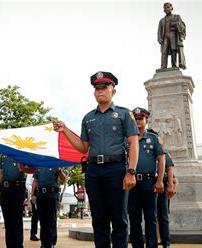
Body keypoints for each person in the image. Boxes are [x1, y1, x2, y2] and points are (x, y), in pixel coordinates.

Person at [53, 71, 139, 248]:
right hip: (93, 171)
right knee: (99, 219)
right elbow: (83, 147)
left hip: (116, 169)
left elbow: (133, 143)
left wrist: (131, 171)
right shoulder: (88, 118)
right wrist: (65, 130)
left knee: (119, 218)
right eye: (97, 88)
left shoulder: (124, 114)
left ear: (113, 91)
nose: (100, 91)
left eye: (104, 87)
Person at [128, 107, 166, 248]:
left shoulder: (154, 138)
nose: (138, 121)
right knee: (134, 218)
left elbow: (161, 160)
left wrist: (160, 180)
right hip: (132, 184)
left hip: (149, 183)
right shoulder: (127, 139)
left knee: (151, 219)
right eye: (135, 118)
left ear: (147, 120)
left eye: (140, 118)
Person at [0, 155, 36, 248]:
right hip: (4, 190)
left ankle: (18, 245)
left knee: (16, 220)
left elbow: (33, 169)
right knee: (8, 221)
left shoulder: (21, 154)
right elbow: (0, 172)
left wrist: (23, 169)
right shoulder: (3, 155)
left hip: (17, 188)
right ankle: (9, 245)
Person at [31, 167, 67, 248]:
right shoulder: (39, 164)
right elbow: (35, 180)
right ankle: (44, 243)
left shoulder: (56, 163)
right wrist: (32, 194)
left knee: (51, 220)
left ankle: (51, 243)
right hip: (40, 194)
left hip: (52, 194)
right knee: (42, 220)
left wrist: (59, 170)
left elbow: (64, 179)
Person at [158, 2, 186, 69]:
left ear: (171, 8)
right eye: (165, 8)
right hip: (165, 37)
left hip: (173, 36)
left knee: (174, 49)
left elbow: (182, 26)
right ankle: (163, 66)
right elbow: (159, 30)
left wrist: (175, 24)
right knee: (164, 51)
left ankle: (174, 65)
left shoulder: (176, 17)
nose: (166, 9)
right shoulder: (161, 20)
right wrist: (159, 38)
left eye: (168, 7)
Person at [26, 174, 40, 241]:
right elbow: (27, 184)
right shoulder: (31, 172)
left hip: (44, 193)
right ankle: (33, 234)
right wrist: (33, 192)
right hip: (35, 194)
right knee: (35, 215)